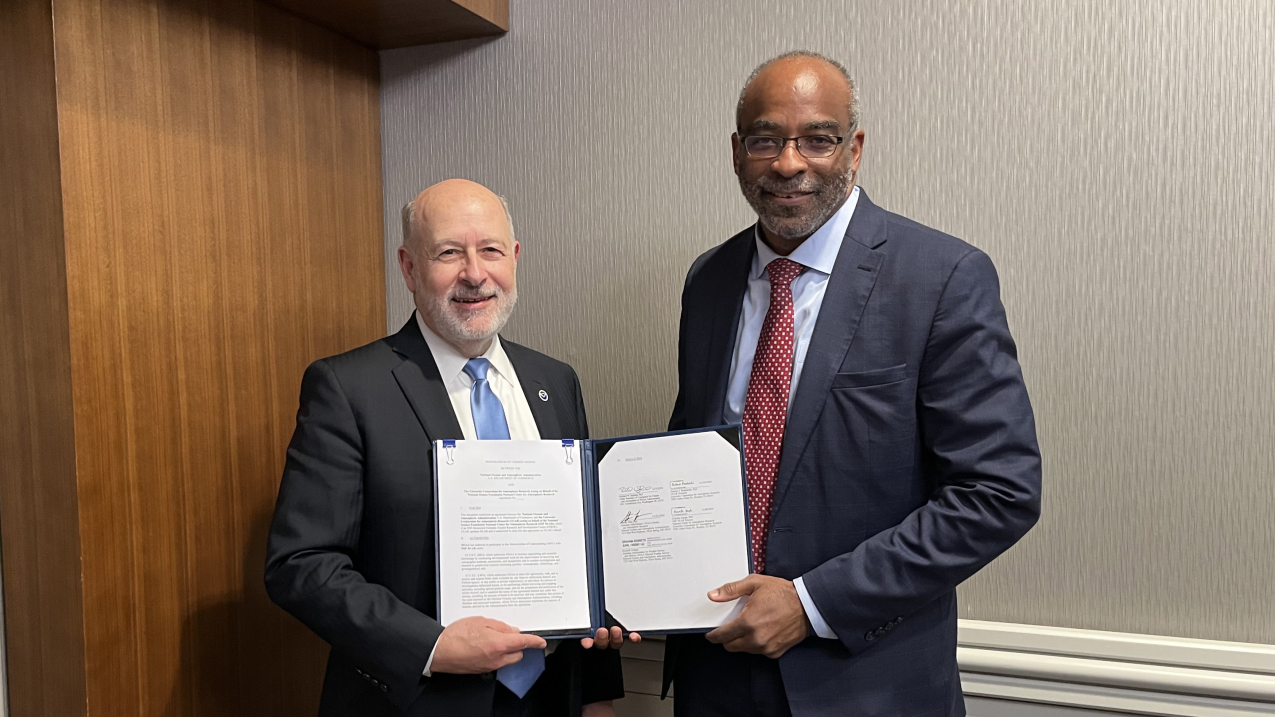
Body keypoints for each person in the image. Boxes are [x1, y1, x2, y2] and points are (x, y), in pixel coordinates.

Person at [660, 51, 1043, 716]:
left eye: (817, 138)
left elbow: (998, 491)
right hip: (714, 669)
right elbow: (690, 455)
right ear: (735, 151)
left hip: (866, 684)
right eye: (764, 139)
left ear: (854, 148)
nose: (788, 163)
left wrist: (812, 603)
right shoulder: (709, 280)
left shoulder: (941, 277)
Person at [265, 179, 626, 716]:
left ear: (515, 258)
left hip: (552, 696)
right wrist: (429, 646)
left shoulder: (555, 381)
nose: (475, 274)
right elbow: (301, 564)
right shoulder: (348, 387)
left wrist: (599, 693)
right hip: (419, 699)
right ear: (409, 268)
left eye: (491, 251)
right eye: (449, 253)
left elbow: (582, 541)